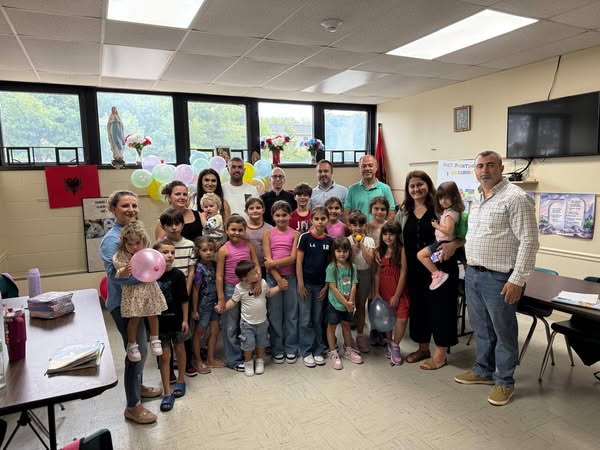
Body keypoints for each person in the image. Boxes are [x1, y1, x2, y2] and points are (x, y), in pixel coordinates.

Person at [454, 151, 539, 407]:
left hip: (500, 278)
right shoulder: (477, 198)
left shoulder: (516, 198)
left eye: (490, 165)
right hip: (474, 274)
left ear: (501, 168)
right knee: (482, 329)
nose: (484, 170)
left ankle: (504, 381)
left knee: (504, 332)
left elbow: (529, 241)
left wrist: (517, 279)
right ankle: (483, 370)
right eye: (480, 166)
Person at [100, 190, 162, 424]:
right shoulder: (111, 240)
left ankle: (138, 387)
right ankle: (132, 406)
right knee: (135, 351)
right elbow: (115, 277)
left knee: (141, 349)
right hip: (123, 304)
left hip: (141, 300)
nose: (131, 209)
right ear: (113, 209)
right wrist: (148, 276)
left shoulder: (136, 232)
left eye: (134, 205)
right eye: (125, 205)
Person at [396, 171, 462, 372]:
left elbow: (462, 233)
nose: (416, 189)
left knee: (442, 309)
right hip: (415, 270)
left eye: (420, 184)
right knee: (419, 309)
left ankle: (440, 354)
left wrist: (455, 244)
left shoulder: (441, 208)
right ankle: (423, 348)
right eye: (412, 186)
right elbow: (397, 238)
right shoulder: (404, 211)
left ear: (428, 185)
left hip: (441, 268)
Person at [112, 221, 167, 362]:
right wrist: (125, 270)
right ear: (124, 243)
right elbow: (118, 275)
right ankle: (132, 345)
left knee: (153, 315)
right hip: (133, 293)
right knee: (134, 318)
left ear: (144, 241)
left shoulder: (148, 253)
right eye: (130, 244)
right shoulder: (122, 256)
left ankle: (155, 339)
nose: (134, 247)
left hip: (149, 290)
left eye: (137, 243)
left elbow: (156, 267)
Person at [216, 260, 281, 377]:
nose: (258, 273)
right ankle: (248, 362)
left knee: (261, 342)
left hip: (262, 322)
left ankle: (260, 360)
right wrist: (224, 307)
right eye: (255, 273)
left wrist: (279, 287)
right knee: (248, 344)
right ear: (245, 279)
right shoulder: (239, 288)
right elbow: (233, 301)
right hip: (247, 323)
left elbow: (269, 293)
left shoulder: (263, 283)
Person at [217, 215, 261, 371]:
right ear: (226, 230)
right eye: (233, 229)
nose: (236, 233)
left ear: (245, 230)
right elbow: (219, 275)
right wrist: (221, 297)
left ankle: (247, 353)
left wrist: (257, 281)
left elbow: (256, 265)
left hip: (249, 288)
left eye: (240, 230)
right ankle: (233, 359)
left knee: (248, 322)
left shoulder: (248, 245)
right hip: (231, 289)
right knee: (231, 325)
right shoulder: (223, 249)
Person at [158, 208, 197, 377]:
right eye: (169, 224)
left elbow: (191, 269)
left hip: (183, 290)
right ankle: (168, 369)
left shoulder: (189, 244)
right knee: (164, 332)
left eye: (177, 224)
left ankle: (187, 363)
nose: (174, 228)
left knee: (184, 329)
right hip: (165, 292)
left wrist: (186, 291)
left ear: (182, 225)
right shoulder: (160, 246)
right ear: (163, 226)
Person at [154, 240, 189, 413]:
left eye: (172, 252)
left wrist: (185, 320)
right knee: (165, 356)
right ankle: (167, 392)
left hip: (177, 321)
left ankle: (181, 380)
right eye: (165, 252)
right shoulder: (151, 275)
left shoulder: (178, 275)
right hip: (159, 324)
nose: (169, 256)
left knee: (180, 349)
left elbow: (184, 299)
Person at [263, 200, 300, 364]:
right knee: (275, 314)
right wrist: (278, 279)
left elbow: (293, 258)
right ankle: (277, 348)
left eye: (284, 215)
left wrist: (273, 263)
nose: (281, 218)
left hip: (291, 277)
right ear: (273, 216)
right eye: (277, 215)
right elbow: (267, 260)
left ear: (290, 215)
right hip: (273, 278)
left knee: (291, 314)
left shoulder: (295, 234)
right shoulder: (268, 234)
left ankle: (291, 347)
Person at [296, 206, 333, 367]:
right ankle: (306, 351)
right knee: (305, 319)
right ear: (311, 220)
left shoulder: (329, 241)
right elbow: (298, 262)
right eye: (316, 219)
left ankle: (318, 350)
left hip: (320, 286)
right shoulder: (304, 238)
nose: (320, 222)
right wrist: (301, 284)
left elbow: (331, 266)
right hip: (306, 285)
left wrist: (326, 286)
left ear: (327, 220)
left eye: (323, 219)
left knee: (318, 319)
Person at [417, 181, 464, 290]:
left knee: (421, 255)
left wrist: (436, 226)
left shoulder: (450, 213)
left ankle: (437, 274)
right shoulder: (448, 211)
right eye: (441, 198)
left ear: (454, 197)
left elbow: (448, 230)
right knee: (436, 260)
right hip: (441, 242)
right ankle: (438, 274)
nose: (443, 201)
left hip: (442, 243)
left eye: (447, 197)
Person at [374, 222, 409, 366]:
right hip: (384, 290)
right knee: (387, 318)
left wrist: (397, 295)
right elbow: (377, 274)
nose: (388, 237)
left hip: (398, 290)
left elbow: (404, 273)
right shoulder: (380, 250)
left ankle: (395, 345)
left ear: (397, 235)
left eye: (391, 234)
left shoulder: (402, 250)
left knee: (402, 318)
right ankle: (389, 342)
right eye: (385, 234)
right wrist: (376, 293)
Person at [325, 236, 362, 370]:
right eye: (339, 251)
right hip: (335, 304)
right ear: (334, 252)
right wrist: (345, 303)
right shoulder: (331, 267)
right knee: (332, 327)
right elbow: (333, 288)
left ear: (349, 252)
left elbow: (354, 285)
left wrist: (350, 302)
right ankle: (333, 352)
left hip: (348, 304)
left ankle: (348, 350)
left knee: (346, 325)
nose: (342, 254)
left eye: (345, 251)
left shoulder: (352, 267)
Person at [191, 236, 223, 372]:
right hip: (203, 304)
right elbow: (195, 291)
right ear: (198, 251)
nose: (208, 253)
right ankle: (197, 360)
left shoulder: (215, 265)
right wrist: (195, 310)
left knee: (215, 330)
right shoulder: (198, 268)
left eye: (211, 250)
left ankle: (210, 359)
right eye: (204, 250)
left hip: (215, 302)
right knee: (199, 332)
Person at [347, 210, 375, 354]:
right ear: (350, 226)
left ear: (365, 226)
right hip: (350, 274)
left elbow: (369, 261)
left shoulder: (370, 241)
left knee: (361, 305)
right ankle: (348, 338)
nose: (358, 228)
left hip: (364, 274)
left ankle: (360, 335)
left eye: (361, 225)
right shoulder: (347, 241)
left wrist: (362, 245)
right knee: (349, 304)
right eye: (354, 225)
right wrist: (354, 248)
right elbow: (347, 261)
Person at [344, 155, 395, 222]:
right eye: (364, 166)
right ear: (360, 168)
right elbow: (346, 215)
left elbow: (391, 214)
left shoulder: (386, 189)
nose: (367, 168)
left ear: (376, 168)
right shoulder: (352, 189)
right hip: (357, 228)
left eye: (370, 165)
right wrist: (353, 227)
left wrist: (381, 227)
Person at [244, 197, 273, 278]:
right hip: (247, 268)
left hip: (266, 267)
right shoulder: (242, 229)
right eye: (251, 208)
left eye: (258, 208)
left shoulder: (270, 229)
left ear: (263, 210)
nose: (255, 210)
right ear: (246, 211)